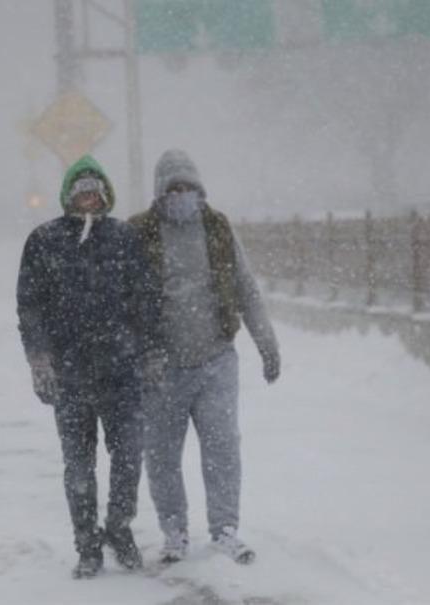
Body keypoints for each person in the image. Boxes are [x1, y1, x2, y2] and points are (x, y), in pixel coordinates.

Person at [129, 149, 280, 566]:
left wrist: (267, 343)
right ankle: (174, 531)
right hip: (161, 367)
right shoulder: (139, 233)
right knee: (161, 454)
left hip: (215, 360)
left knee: (222, 448)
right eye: (173, 189)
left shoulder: (216, 228)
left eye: (188, 188)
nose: (181, 195)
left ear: (199, 190)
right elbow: (119, 301)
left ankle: (225, 529)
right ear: (160, 193)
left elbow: (246, 288)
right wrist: (138, 354)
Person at [16, 155, 159, 579]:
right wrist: (40, 359)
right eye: (80, 193)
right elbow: (30, 307)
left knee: (129, 455)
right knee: (79, 465)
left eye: (94, 192)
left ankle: (118, 525)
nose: (88, 200)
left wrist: (149, 353)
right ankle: (87, 544)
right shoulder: (44, 241)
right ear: (67, 197)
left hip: (121, 370)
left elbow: (145, 300)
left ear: (106, 195)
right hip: (70, 373)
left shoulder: (124, 238)